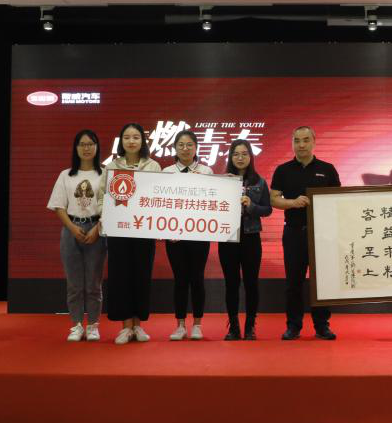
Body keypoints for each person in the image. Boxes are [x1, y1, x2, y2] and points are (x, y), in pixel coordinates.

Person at [270, 126, 340, 340]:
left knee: (322, 281)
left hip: (322, 234)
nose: (301, 145)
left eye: (306, 140)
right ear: (292, 143)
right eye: (297, 141)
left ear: (314, 142)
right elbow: (273, 199)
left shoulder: (327, 169)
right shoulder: (283, 170)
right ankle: (293, 326)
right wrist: (292, 202)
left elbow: (338, 199)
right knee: (293, 282)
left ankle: (322, 326)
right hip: (293, 233)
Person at [47, 129, 106, 342]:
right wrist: (72, 228)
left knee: (93, 283)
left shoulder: (105, 174)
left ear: (97, 147)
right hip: (71, 229)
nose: (86, 148)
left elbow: (110, 205)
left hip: (97, 229)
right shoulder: (66, 175)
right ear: (76, 148)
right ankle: (76, 325)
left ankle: (93, 325)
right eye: (82, 144)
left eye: (91, 144)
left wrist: (97, 229)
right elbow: (58, 206)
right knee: (74, 283)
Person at [105, 123, 160, 344]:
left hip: (144, 229)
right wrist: (104, 218)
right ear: (121, 141)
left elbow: (159, 196)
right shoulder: (112, 166)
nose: (131, 141)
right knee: (121, 276)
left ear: (142, 141)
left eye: (136, 137)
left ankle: (138, 326)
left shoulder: (153, 166)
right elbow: (103, 196)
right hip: (118, 229)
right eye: (126, 137)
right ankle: (125, 327)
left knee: (141, 275)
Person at [218, 139, 272, 340]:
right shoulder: (222, 181)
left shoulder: (260, 182)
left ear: (250, 156)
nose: (240, 158)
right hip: (228, 238)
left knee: (251, 283)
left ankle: (250, 327)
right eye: (236, 154)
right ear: (230, 157)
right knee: (231, 283)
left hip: (251, 238)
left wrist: (251, 205)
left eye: (244, 154)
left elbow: (267, 209)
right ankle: (233, 327)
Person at [162, 130, 213, 340]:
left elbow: (213, 202)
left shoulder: (206, 171)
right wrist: (165, 230)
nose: (185, 149)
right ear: (175, 148)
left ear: (196, 147)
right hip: (174, 236)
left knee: (197, 278)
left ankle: (197, 325)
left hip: (199, 234)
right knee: (180, 279)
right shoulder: (166, 172)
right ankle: (180, 325)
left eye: (189, 144)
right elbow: (161, 204)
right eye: (181, 145)